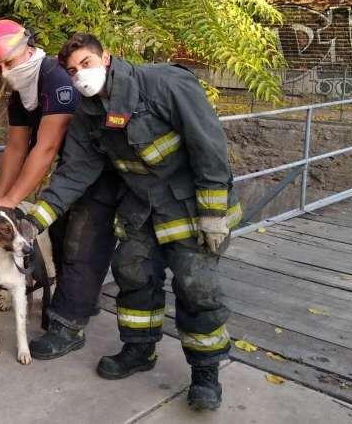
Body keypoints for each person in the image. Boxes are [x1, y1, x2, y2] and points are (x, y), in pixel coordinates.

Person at [23, 33, 241, 411]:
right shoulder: (88, 115)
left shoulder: (165, 84)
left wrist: (212, 215)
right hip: (143, 207)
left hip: (192, 207)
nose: (80, 76)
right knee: (133, 273)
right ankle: (139, 350)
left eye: (86, 64)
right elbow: (74, 173)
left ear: (106, 57)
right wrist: (32, 222)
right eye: (72, 71)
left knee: (195, 285)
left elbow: (208, 146)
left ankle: (206, 372)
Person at [0, 19, 121, 359]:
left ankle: (69, 328)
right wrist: (1, 199)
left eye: (8, 63)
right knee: (59, 238)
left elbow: (46, 147)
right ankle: (77, 303)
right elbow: (15, 147)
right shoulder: (21, 95)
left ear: (26, 49)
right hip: (69, 175)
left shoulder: (56, 79)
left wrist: (12, 199)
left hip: (99, 171)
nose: (5, 73)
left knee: (81, 242)